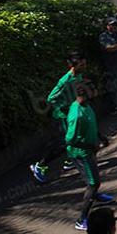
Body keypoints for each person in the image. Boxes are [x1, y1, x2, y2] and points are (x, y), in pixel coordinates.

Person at [30, 52, 90, 184]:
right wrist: (64, 106)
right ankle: (40, 166)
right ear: (74, 66)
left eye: (85, 63)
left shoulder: (78, 75)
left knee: (77, 138)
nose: (84, 66)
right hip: (62, 116)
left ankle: (70, 160)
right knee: (63, 143)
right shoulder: (65, 80)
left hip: (72, 114)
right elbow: (51, 98)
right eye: (82, 64)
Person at [65, 87, 115, 230]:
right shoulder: (76, 115)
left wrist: (100, 137)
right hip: (81, 153)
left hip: (88, 150)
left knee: (91, 180)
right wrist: (90, 147)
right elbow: (70, 140)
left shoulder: (86, 105)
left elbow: (91, 124)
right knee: (93, 183)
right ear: (84, 95)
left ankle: (95, 195)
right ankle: (81, 219)